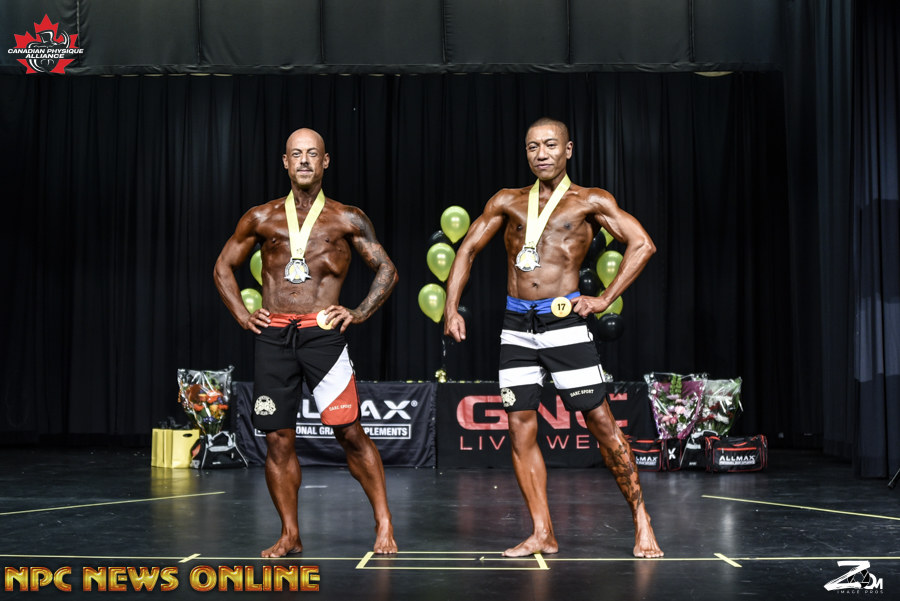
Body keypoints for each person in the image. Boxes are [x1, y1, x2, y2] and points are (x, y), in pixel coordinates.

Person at [443, 117, 663, 559]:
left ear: (568, 150)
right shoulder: (507, 201)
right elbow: (467, 248)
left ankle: (642, 520)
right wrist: (451, 308)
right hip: (516, 326)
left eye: (549, 145)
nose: (541, 153)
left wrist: (605, 298)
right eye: (532, 147)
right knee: (519, 427)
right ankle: (542, 532)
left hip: (564, 324)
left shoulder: (589, 200)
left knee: (601, 423)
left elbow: (642, 243)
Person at [214, 128, 399, 558]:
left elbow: (386, 269)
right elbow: (223, 266)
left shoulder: (347, 218)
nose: (303, 161)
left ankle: (384, 522)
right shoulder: (261, 218)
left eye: (311, 154)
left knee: (349, 432)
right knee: (277, 439)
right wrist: (242, 315)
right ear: (285, 162)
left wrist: (359, 312)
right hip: (274, 335)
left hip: (323, 334)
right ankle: (290, 534)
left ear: (325, 161)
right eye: (296, 154)